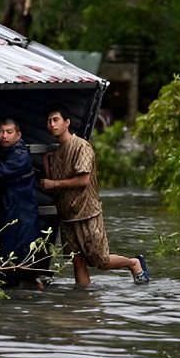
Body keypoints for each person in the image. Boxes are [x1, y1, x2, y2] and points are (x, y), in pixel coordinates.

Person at [40, 107, 149, 285]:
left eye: (56, 120)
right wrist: (46, 165)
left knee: (100, 260)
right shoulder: (57, 153)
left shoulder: (82, 146)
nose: (52, 124)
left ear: (67, 122)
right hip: (67, 216)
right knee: (77, 262)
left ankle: (134, 263)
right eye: (49, 121)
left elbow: (83, 180)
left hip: (87, 212)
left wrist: (53, 183)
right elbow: (54, 188)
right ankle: (83, 303)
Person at [0, 118, 43, 285]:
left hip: (22, 216)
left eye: (9, 132)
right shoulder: (5, 151)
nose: (4, 136)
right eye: (1, 132)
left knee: (21, 260)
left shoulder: (20, 155)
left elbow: (2, 172)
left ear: (18, 134)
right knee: (10, 258)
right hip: (12, 213)